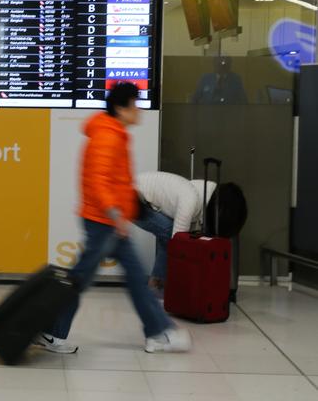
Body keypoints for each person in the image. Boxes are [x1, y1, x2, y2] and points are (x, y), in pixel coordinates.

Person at [35, 83, 191, 355]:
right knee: (81, 279)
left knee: (126, 276)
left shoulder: (113, 132)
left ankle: (156, 332)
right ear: (121, 108)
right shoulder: (107, 136)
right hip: (103, 222)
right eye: (134, 104)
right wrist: (115, 214)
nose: (138, 110)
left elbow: (113, 181)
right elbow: (98, 181)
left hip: (107, 222)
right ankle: (52, 331)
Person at [135, 172, 248, 294]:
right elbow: (177, 244)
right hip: (133, 198)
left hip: (141, 197)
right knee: (171, 237)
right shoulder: (190, 201)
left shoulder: (208, 192)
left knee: (169, 238)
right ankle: (161, 285)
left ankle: (156, 283)